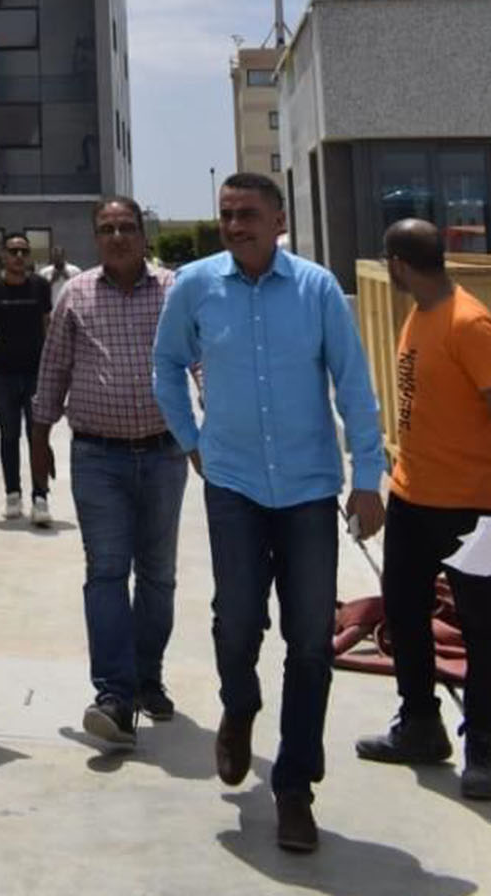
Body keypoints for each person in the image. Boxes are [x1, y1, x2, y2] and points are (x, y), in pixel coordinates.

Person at [153, 172, 387, 853]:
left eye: (248, 214)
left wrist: (367, 478)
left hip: (309, 488)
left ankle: (294, 788)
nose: (235, 225)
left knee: (310, 640)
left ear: (279, 221)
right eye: (227, 214)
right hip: (233, 485)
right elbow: (166, 364)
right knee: (236, 622)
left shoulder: (316, 289)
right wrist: (191, 440)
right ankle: (240, 705)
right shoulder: (196, 285)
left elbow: (354, 383)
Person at [31, 198, 187, 748]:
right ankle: (115, 694)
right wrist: (39, 440)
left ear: (143, 234)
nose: (116, 236)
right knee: (106, 572)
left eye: (126, 227)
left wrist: (211, 427)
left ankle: (147, 677)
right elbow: (54, 368)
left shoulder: (174, 291)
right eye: (106, 229)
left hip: (164, 454)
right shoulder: (75, 294)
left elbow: (200, 359)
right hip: (98, 458)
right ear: (95, 238)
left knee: (158, 575)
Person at [355, 218, 491, 801]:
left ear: (397, 264)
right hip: (413, 498)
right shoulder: (419, 313)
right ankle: (419, 725)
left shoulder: (469, 323)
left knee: (482, 633)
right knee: (405, 615)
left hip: (472, 509)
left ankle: (484, 749)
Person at [0, 232, 53, 524]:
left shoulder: (40, 286)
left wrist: (52, 369)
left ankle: (40, 497)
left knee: (38, 435)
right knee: (9, 435)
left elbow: (47, 326)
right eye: (13, 251)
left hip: (35, 374)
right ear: (3, 255)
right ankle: (13, 494)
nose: (19, 256)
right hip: (2, 375)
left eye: (24, 251)